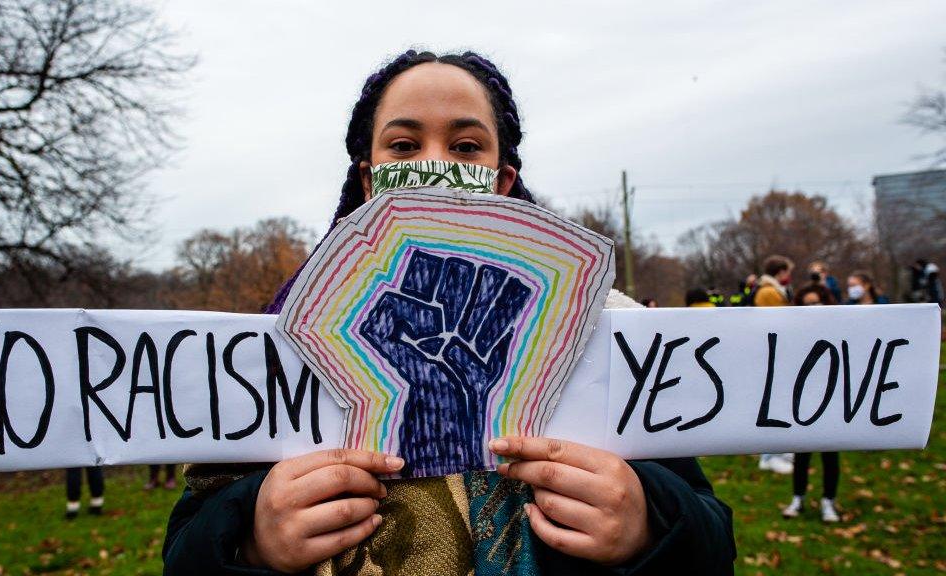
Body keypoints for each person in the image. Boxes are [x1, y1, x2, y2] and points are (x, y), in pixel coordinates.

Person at [162, 50, 735, 575]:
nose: (434, 168)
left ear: (502, 181)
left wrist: (648, 524)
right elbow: (187, 550)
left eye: (465, 148)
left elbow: (710, 540)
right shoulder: (281, 341)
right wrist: (252, 541)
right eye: (405, 146)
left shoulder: (603, 333)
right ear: (368, 180)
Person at [782, 283, 841, 522]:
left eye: (816, 303)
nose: (812, 308)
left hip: (832, 399)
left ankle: (829, 501)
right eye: (807, 304)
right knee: (802, 453)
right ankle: (798, 498)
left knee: (830, 455)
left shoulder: (838, 328)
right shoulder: (795, 333)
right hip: (803, 400)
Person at [753, 255, 795, 474]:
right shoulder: (769, 292)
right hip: (772, 349)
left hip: (776, 350)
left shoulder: (771, 289)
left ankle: (778, 450)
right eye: (787, 271)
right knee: (774, 399)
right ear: (780, 271)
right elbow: (777, 321)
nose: (789, 276)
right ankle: (769, 454)